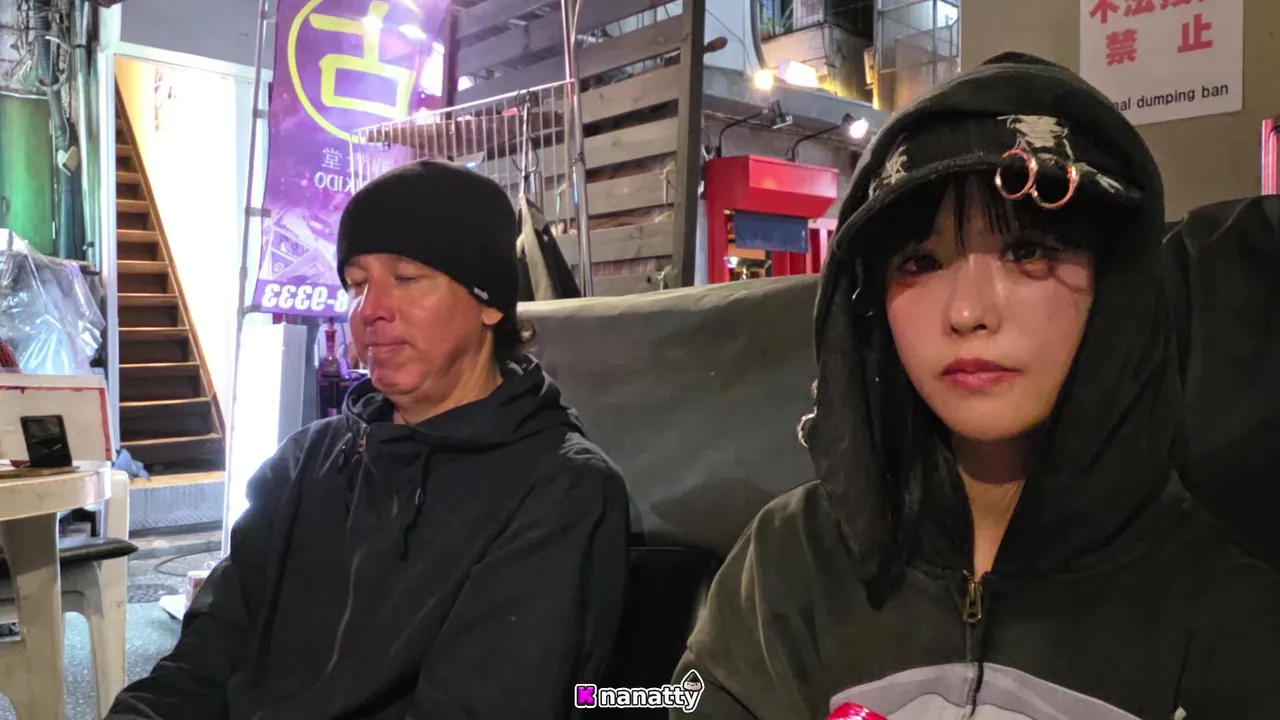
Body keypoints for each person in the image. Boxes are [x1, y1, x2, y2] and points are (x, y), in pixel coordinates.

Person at [675, 53, 1280, 719]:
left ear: (1113, 285)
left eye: (1028, 251)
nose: (967, 312)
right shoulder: (789, 561)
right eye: (920, 261)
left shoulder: (1216, 597)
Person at [109, 160, 630, 719]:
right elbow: (201, 662)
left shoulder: (560, 489)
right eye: (357, 284)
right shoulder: (306, 462)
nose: (370, 310)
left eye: (406, 278)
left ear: (490, 302)